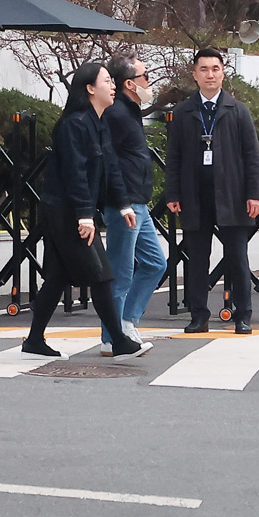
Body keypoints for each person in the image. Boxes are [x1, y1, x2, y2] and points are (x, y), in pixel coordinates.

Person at [23, 60, 150, 359]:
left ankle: (34, 341)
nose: (113, 86)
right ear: (90, 88)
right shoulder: (74, 124)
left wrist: (123, 205)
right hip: (65, 212)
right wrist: (84, 215)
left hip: (75, 211)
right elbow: (75, 173)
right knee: (101, 273)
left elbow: (111, 168)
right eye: (107, 81)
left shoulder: (99, 122)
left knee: (57, 277)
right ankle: (118, 341)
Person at [164, 47, 259, 334]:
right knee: (197, 259)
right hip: (194, 195)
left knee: (237, 257)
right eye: (204, 69)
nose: (210, 74)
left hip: (232, 194)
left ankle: (243, 315)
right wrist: (173, 194)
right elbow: (174, 157)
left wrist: (254, 194)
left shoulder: (238, 110)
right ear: (194, 75)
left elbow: (252, 156)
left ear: (223, 73)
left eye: (215, 69)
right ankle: (199, 315)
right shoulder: (184, 112)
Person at [99, 56, 167, 355]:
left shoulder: (129, 111)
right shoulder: (116, 114)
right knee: (121, 271)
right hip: (124, 204)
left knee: (155, 264)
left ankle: (126, 322)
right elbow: (108, 161)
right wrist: (121, 201)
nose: (149, 82)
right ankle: (112, 336)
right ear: (129, 83)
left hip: (137, 202)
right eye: (145, 76)